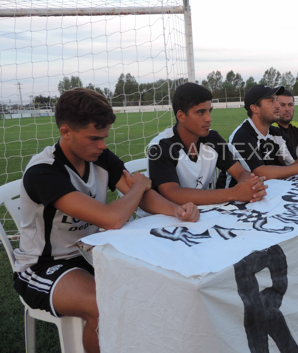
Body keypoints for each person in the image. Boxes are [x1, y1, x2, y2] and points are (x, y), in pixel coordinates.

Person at [13, 88, 199, 353]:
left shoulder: (100, 157)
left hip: (92, 253)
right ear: (66, 132)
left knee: (158, 284)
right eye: (94, 138)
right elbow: (113, 218)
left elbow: (142, 198)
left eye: (104, 138)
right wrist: (140, 186)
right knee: (103, 305)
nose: (102, 145)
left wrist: (177, 210)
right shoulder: (43, 172)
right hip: (44, 266)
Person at [147, 82, 268, 205]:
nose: (209, 118)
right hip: (164, 215)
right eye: (201, 112)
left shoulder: (212, 139)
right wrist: (233, 193)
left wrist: (252, 185)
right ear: (181, 116)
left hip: (202, 212)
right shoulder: (160, 147)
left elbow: (240, 172)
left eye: (209, 111)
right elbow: (172, 193)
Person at [222, 85, 298, 187]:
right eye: (271, 101)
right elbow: (260, 172)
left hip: (265, 192)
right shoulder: (242, 136)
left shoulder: (277, 134)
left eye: (276, 100)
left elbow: (294, 161)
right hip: (235, 198)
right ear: (255, 108)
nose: (277, 105)